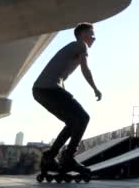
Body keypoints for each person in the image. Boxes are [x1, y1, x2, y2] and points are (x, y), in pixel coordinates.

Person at [32, 22, 102, 172]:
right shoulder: (80, 45)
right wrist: (95, 89)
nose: (94, 38)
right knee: (83, 118)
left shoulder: (72, 48)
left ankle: (50, 157)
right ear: (82, 35)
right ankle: (68, 158)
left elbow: (59, 74)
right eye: (92, 34)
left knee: (73, 122)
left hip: (41, 90)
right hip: (48, 89)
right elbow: (85, 68)